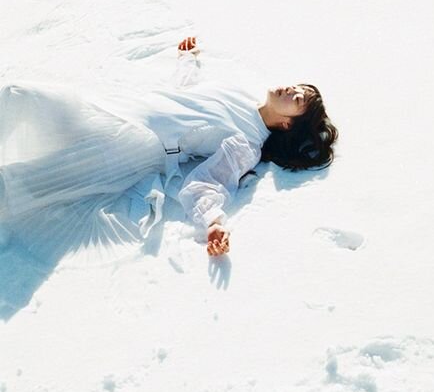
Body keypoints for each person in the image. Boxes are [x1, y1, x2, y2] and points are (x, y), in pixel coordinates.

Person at [0, 38, 338, 258]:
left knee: (24, 182)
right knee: (19, 95)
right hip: (119, 109)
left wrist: (213, 222)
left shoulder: (246, 143)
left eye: (298, 100)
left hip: (130, 146)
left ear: (288, 124)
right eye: (298, 87)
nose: (292, 90)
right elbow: (188, 95)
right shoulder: (240, 96)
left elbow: (207, 183)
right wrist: (187, 60)